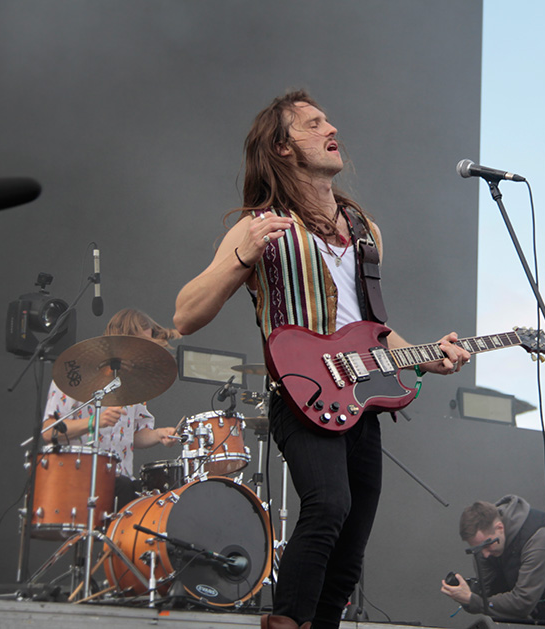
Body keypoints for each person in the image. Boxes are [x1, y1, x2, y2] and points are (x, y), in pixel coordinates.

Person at [173, 89, 470, 629]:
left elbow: (372, 331)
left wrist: (426, 357)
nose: (330, 129)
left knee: (351, 544)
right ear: (282, 148)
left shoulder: (364, 231)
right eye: (312, 124)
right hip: (302, 395)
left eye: (327, 121)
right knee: (329, 505)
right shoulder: (260, 225)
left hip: (359, 399)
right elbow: (186, 315)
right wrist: (242, 255)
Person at [42, 308, 181, 507]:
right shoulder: (75, 376)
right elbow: (49, 431)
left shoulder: (135, 385)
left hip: (119, 481)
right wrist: (93, 422)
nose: (144, 351)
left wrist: (158, 435)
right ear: (122, 340)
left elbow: (134, 435)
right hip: (77, 481)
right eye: (140, 344)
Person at [441, 495, 545, 621]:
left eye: (487, 546)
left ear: (500, 528)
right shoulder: (485, 547)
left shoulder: (538, 539)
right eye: (478, 549)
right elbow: (485, 596)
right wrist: (465, 596)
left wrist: (472, 600)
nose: (485, 554)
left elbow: (522, 603)